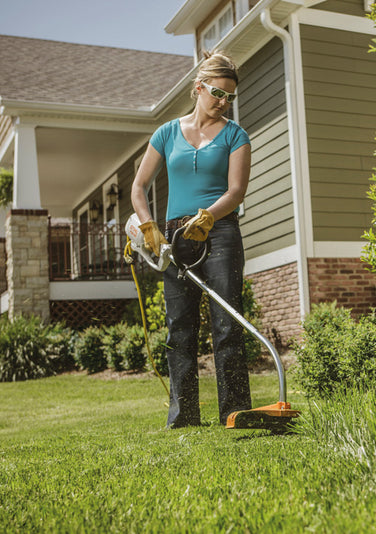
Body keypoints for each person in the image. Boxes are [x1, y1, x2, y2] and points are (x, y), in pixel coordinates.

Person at [130, 51, 252, 428]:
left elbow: (235, 192)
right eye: (217, 93)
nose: (223, 102)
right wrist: (150, 228)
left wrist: (208, 217)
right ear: (198, 88)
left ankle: (234, 412)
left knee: (227, 323)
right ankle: (183, 416)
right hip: (175, 238)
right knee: (179, 325)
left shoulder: (236, 135)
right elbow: (138, 187)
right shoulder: (166, 133)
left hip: (221, 233)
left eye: (229, 96)